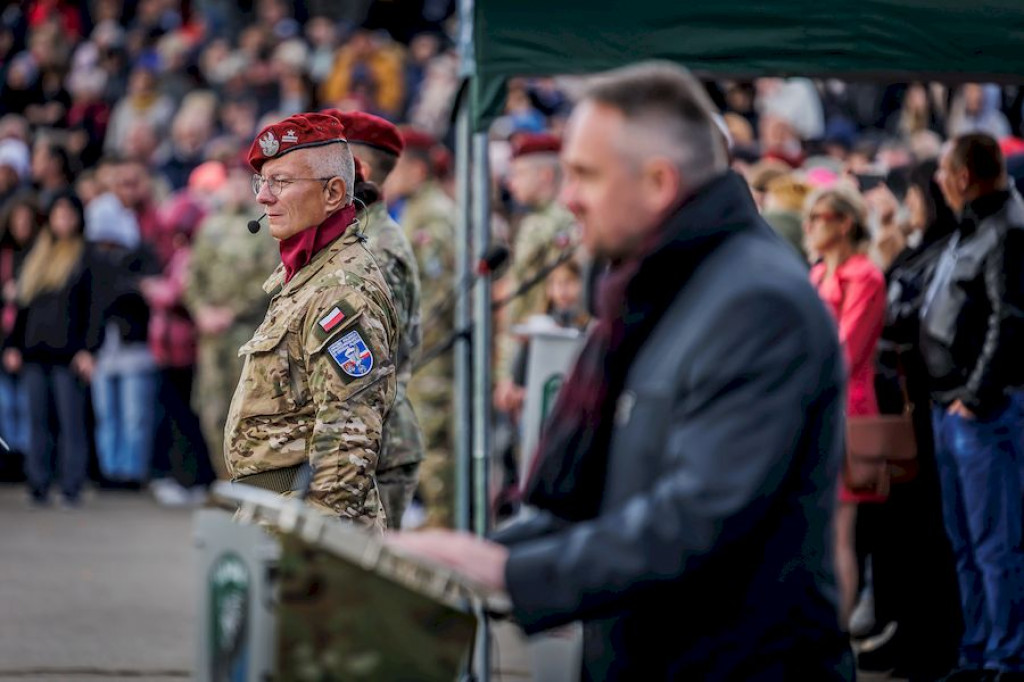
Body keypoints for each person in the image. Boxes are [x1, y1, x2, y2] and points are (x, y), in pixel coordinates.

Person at [388, 61, 854, 679]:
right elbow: (600, 495)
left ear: (659, 183)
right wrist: (462, 559)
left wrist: (508, 574)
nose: (568, 196)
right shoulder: (654, 286)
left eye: (585, 175)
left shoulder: (756, 301)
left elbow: (696, 518)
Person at [224, 113, 399, 530]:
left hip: (304, 523)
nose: (264, 197)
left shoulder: (342, 290)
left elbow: (347, 444)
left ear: (334, 192)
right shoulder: (308, 272)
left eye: (280, 182)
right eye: (261, 183)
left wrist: (312, 555)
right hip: (276, 510)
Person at [921, 133, 1024, 680]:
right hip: (953, 408)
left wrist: (976, 397)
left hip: (980, 413)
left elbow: (1010, 321)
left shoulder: (1007, 229)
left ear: (963, 177)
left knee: (993, 546)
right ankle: (979, 650)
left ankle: (1004, 659)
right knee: (967, 542)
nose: (937, 180)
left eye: (942, 171)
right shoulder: (977, 227)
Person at [325, 109, 425, 530]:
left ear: (357, 169)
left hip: (371, 443)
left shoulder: (375, 249)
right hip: (361, 439)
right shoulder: (356, 237)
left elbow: (366, 369)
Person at [804, 186, 887, 628]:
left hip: (848, 410)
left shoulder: (865, 276)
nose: (810, 225)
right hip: (813, 407)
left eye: (819, 216)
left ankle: (835, 636)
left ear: (845, 223)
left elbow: (845, 352)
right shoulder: (818, 274)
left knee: (840, 532)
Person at [2, 191, 98, 507]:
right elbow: (24, 307)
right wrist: (12, 345)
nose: (63, 220)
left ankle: (71, 485)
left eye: (69, 214)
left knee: (71, 422)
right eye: (58, 214)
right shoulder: (37, 254)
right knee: (37, 420)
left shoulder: (85, 255)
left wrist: (88, 349)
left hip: (68, 354)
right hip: (33, 351)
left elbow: (93, 308)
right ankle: (38, 482)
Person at [383, 126, 457, 528]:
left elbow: (436, 295)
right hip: (421, 350)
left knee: (432, 440)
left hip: (432, 352)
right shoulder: (417, 210)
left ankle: (443, 523)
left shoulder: (432, 216)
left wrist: (406, 346)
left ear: (415, 170)